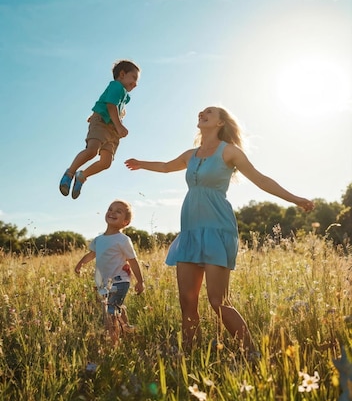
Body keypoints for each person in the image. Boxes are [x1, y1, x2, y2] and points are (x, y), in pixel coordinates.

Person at [125, 106, 314, 352]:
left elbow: (260, 179)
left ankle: (252, 353)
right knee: (187, 301)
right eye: (200, 112)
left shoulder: (230, 152)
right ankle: (190, 354)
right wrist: (141, 163)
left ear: (220, 122)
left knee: (218, 301)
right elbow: (164, 166)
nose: (202, 114)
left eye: (209, 112)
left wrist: (295, 199)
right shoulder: (190, 155)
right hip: (190, 232)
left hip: (217, 229)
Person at [59, 59, 140, 199]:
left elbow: (110, 104)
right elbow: (110, 106)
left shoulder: (125, 96)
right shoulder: (116, 86)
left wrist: (118, 123)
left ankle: (82, 176)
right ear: (122, 74)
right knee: (92, 150)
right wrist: (119, 125)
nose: (136, 83)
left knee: (106, 162)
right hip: (102, 123)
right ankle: (70, 173)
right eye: (133, 77)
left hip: (112, 130)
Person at [75, 199, 145, 343]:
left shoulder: (123, 240)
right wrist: (81, 263)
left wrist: (140, 281)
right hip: (104, 282)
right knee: (115, 307)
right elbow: (92, 254)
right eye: (110, 209)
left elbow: (132, 260)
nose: (112, 212)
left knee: (110, 312)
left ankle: (114, 343)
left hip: (120, 280)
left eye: (118, 211)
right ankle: (126, 328)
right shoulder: (99, 239)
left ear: (125, 222)